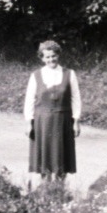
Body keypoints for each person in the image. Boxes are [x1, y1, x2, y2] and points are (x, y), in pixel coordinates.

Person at [25, 39, 81, 183]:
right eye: (47, 57)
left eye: (53, 55)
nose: (51, 59)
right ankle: (46, 190)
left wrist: (76, 121)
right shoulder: (36, 75)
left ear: (58, 55)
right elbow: (29, 100)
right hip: (42, 122)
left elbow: (76, 98)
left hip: (63, 121)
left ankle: (60, 189)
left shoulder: (70, 74)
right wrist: (28, 123)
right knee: (45, 160)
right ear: (42, 58)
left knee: (62, 159)